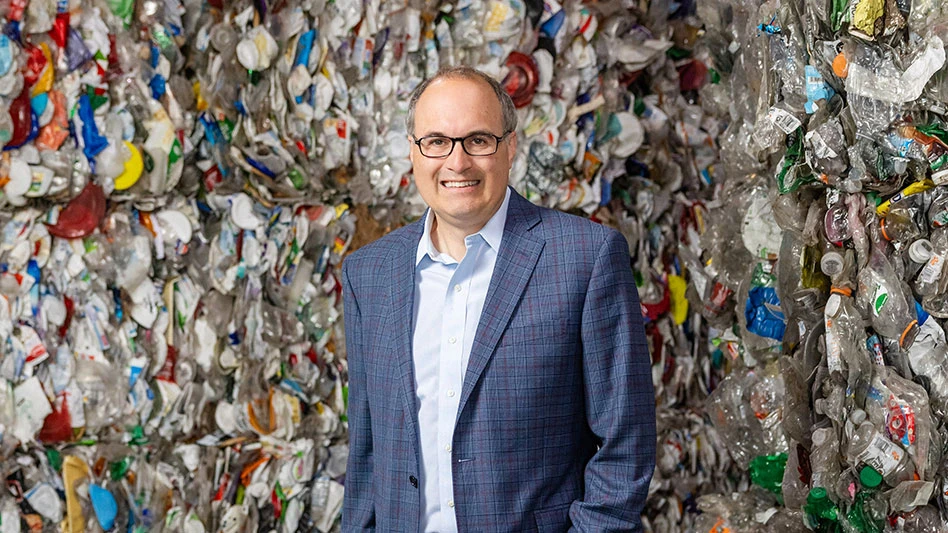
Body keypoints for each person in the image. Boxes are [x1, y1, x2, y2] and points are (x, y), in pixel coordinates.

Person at [340, 65, 655, 532]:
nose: (457, 161)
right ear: (413, 152)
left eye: (478, 140)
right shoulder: (369, 273)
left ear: (510, 147)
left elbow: (625, 443)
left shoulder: (585, 258)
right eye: (436, 142)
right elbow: (366, 451)